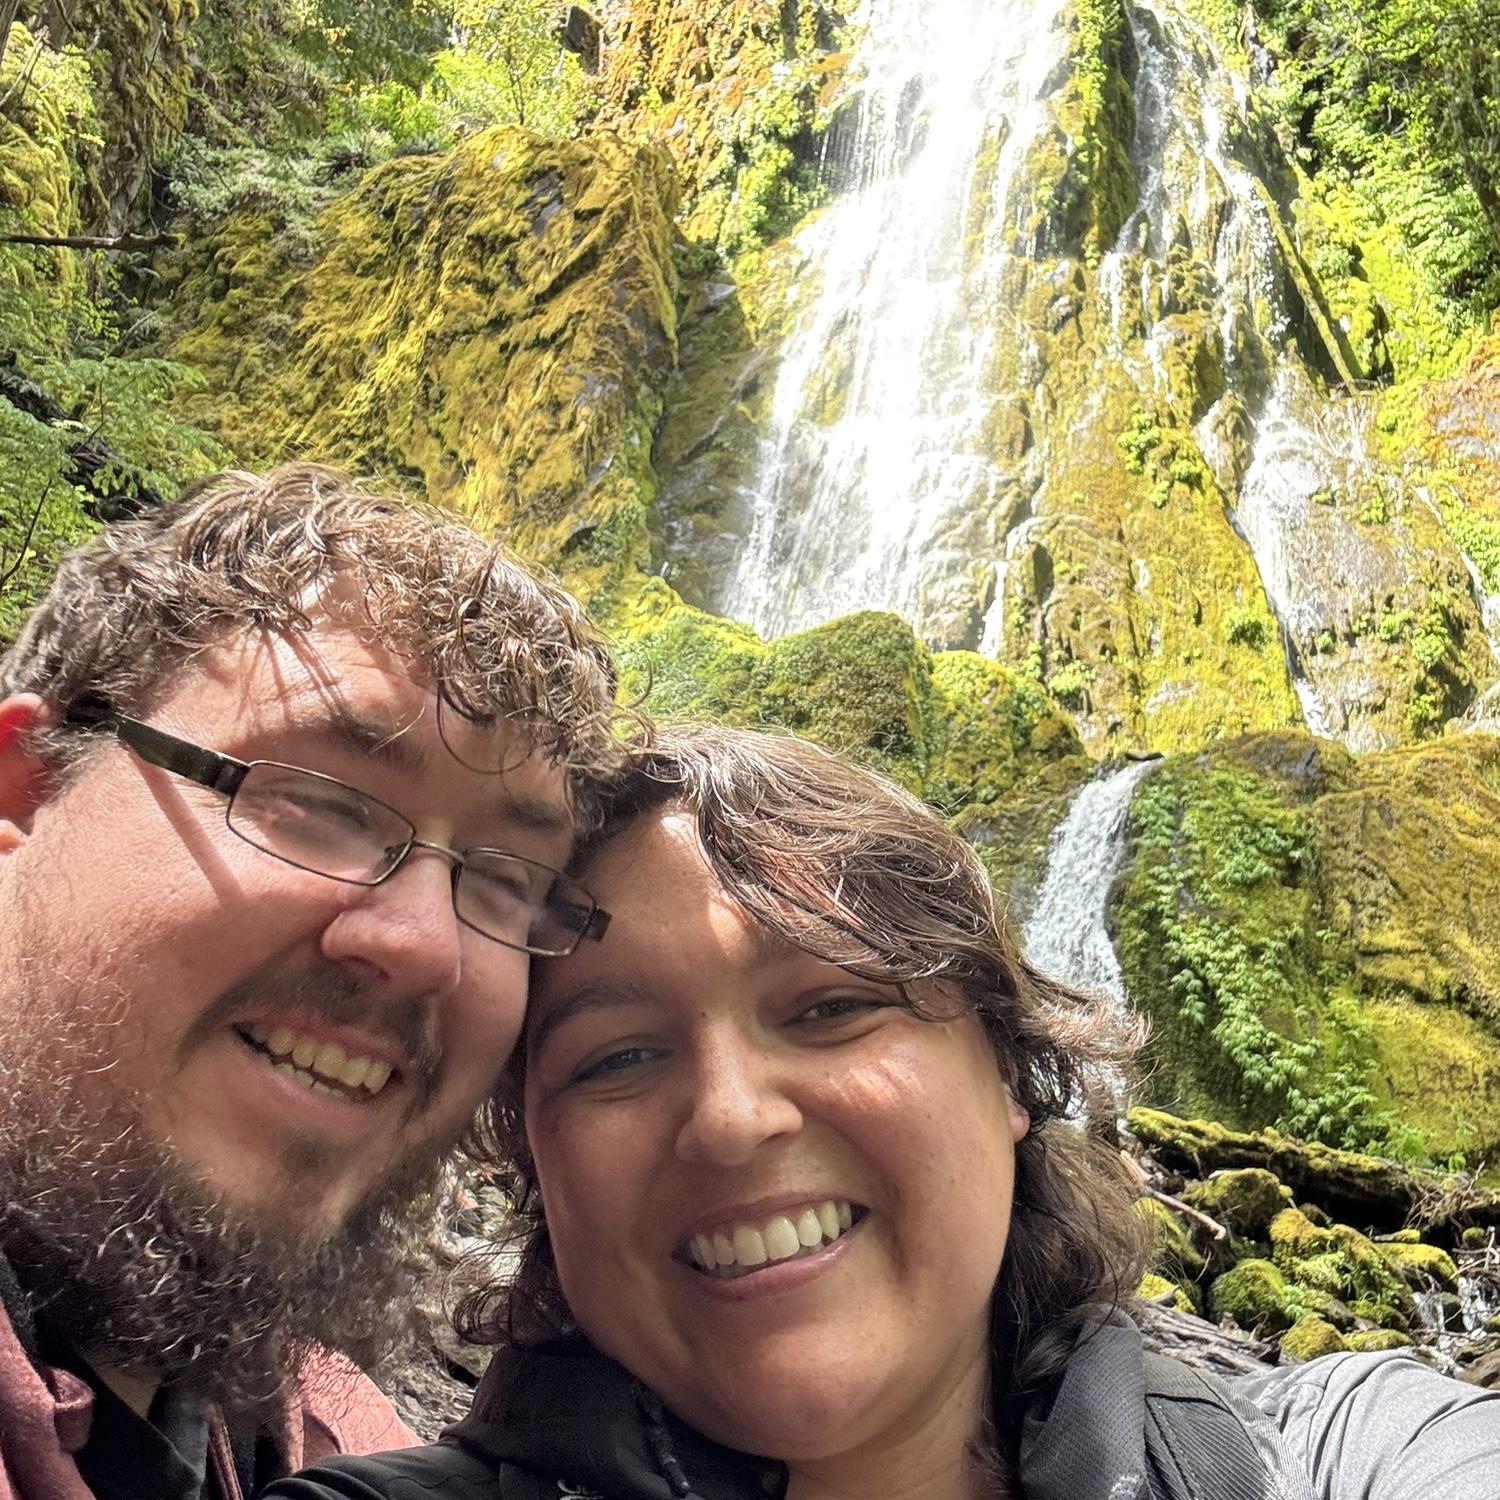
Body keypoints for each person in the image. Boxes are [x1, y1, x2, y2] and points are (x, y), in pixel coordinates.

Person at [268, 723, 1500, 1500]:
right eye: (617, 1057)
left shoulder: (1347, 1453)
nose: (732, 1118)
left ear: (1010, 1072)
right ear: (536, 1167)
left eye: (831, 1008)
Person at [0, 464, 627, 1500]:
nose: (426, 944)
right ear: (28, 792)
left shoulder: (339, 1433)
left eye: (507, 882)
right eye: (321, 805)